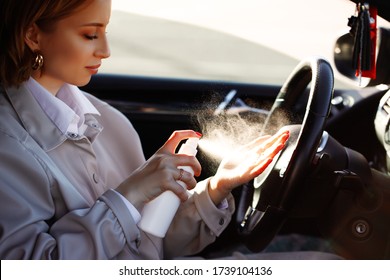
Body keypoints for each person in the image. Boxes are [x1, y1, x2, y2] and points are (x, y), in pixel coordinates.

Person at [0, 0, 334, 260]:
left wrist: (218, 186)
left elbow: (148, 242)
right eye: (90, 34)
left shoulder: (105, 119)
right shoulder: (8, 146)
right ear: (33, 35)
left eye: (105, 31)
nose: (105, 51)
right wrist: (129, 195)